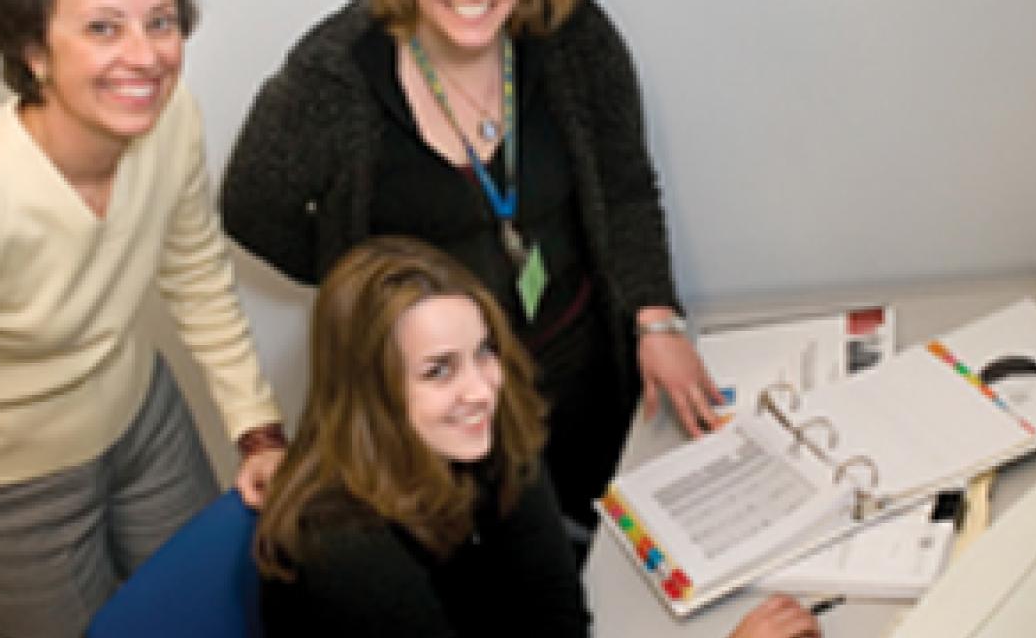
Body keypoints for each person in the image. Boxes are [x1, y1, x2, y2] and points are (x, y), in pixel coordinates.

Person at [220, 0, 723, 537]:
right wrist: (371, 289)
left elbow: (625, 190)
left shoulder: (576, 37)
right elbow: (250, 208)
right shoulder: (334, 75)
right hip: (438, 415)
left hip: (583, 378)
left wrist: (656, 319)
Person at [0, 0, 285, 635]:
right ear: (33, 52)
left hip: (142, 420)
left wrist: (258, 433)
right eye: (104, 29)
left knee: (215, 612)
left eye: (161, 22)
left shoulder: (171, 123)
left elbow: (198, 276)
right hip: (5, 489)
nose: (144, 57)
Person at [255, 235, 821, 638]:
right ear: (371, 392)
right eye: (438, 371)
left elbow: (557, 614)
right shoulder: (346, 553)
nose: (480, 390)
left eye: (483, 353)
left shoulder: (484, 428)